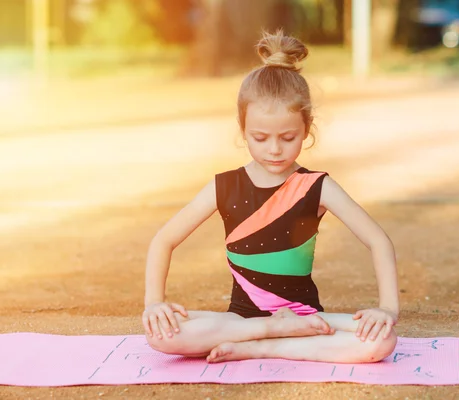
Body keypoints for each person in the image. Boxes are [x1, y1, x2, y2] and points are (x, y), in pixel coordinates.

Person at [142, 30, 399, 364]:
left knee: (382, 342)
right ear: (242, 127)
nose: (275, 149)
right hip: (241, 320)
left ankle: (262, 347)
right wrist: (154, 303)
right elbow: (163, 240)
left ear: (307, 128)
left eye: (288, 137)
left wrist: (388, 309)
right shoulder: (225, 186)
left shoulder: (316, 186)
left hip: (305, 316)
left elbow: (378, 241)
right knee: (159, 334)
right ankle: (267, 333)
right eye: (260, 138)